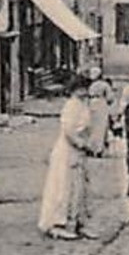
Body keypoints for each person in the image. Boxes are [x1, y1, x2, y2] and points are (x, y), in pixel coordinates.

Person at [38, 74, 99, 239]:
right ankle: (58, 224)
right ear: (73, 90)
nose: (84, 91)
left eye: (86, 88)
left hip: (79, 151)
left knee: (80, 188)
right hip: (67, 151)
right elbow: (68, 130)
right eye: (81, 88)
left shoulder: (82, 105)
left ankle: (78, 222)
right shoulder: (71, 106)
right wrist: (81, 144)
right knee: (64, 186)